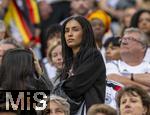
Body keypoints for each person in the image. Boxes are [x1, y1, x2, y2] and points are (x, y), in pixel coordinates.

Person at [54, 15, 106, 114]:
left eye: (75, 30)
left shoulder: (93, 55)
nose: (69, 34)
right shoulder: (68, 62)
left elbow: (74, 87)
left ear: (85, 32)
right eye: (66, 31)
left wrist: (55, 94)